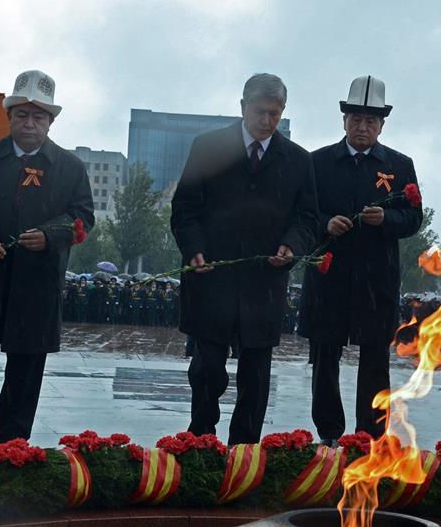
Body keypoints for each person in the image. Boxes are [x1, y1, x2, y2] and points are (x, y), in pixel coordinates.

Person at [0, 70, 94, 456]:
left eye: (39, 116)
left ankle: (12, 444)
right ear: (9, 116)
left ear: (51, 121)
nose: (30, 123)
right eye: (22, 115)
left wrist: (51, 235)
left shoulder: (70, 167)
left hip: (37, 283)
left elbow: (81, 217)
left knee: (26, 368)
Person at [171, 73, 318, 444]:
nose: (267, 121)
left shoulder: (298, 160)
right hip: (211, 278)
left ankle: (245, 449)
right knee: (206, 369)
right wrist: (194, 250)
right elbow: (185, 208)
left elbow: (307, 218)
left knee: (256, 374)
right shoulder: (208, 147)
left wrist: (291, 246)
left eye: (275, 113)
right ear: (242, 107)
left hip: (264, 284)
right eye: (260, 111)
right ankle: (201, 440)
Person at [297, 76, 423, 444]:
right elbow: (303, 214)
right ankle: (330, 434)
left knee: (374, 361)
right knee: (324, 358)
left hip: (376, 281)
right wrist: (325, 224)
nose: (362, 127)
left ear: (382, 125)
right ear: (344, 121)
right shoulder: (317, 162)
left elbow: (414, 218)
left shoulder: (400, 165)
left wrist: (387, 220)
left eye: (370, 121)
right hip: (329, 278)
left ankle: (368, 437)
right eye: (356, 119)